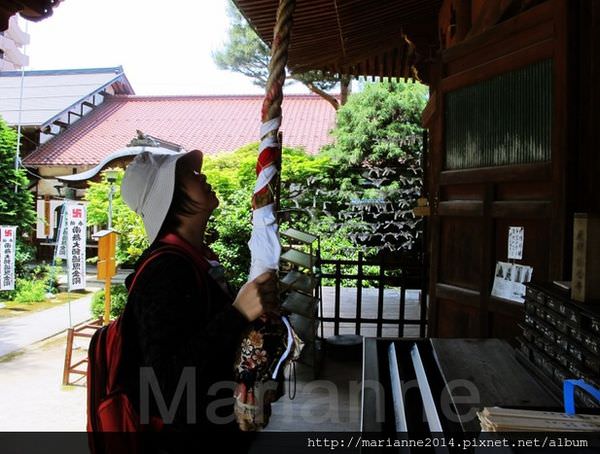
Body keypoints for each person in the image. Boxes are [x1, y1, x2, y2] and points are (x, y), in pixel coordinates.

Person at [118, 148, 278, 452]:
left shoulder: (192, 260)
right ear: (170, 196)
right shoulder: (166, 270)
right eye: (188, 174)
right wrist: (237, 314)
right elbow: (164, 383)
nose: (201, 175)